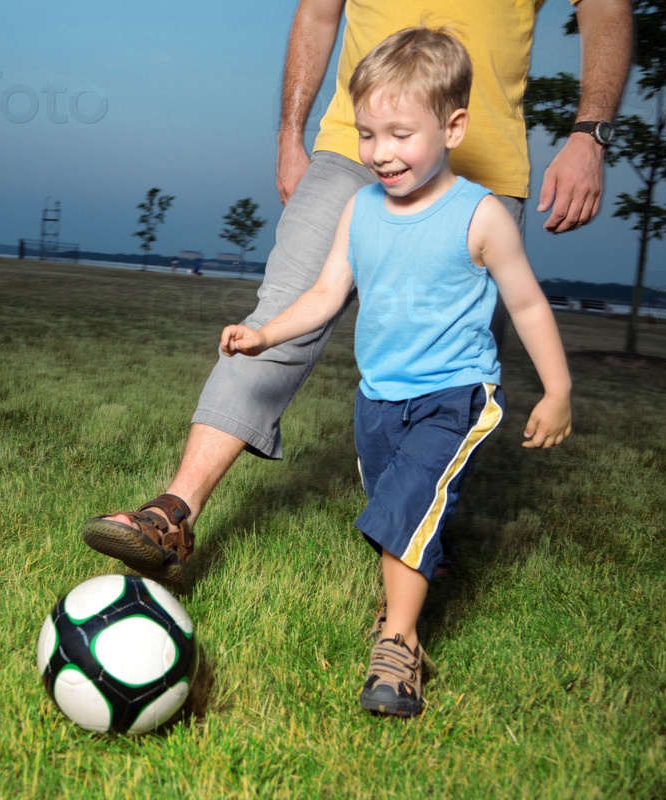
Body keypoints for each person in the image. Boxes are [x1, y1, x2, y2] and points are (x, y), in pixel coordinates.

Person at [80, 0, 630, 586]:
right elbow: (317, 13)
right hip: (351, 149)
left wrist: (589, 135)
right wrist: (290, 135)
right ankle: (173, 513)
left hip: (483, 163)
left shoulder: (478, 204)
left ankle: (419, 553)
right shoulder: (368, 152)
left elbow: (606, 9)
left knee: (453, 375)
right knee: (281, 311)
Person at [219, 25, 572, 717]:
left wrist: (557, 390)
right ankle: (418, 571)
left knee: (406, 508)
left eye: (400, 135)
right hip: (377, 401)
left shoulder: (480, 215)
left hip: (454, 395)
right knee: (403, 516)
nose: (381, 153)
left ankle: (398, 646)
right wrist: (264, 333)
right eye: (369, 134)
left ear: (454, 126)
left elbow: (527, 304)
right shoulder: (361, 209)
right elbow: (324, 295)